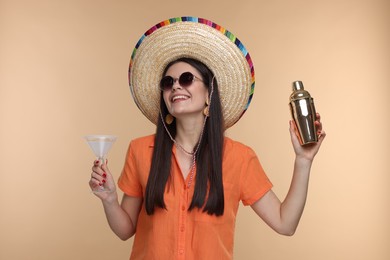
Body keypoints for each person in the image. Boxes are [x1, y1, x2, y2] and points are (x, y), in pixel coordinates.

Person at [89, 17, 325, 260]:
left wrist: (303, 160)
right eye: (168, 82)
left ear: (209, 94)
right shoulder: (140, 150)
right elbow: (125, 230)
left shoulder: (240, 158)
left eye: (187, 79)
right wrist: (108, 199)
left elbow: (285, 224)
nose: (176, 87)